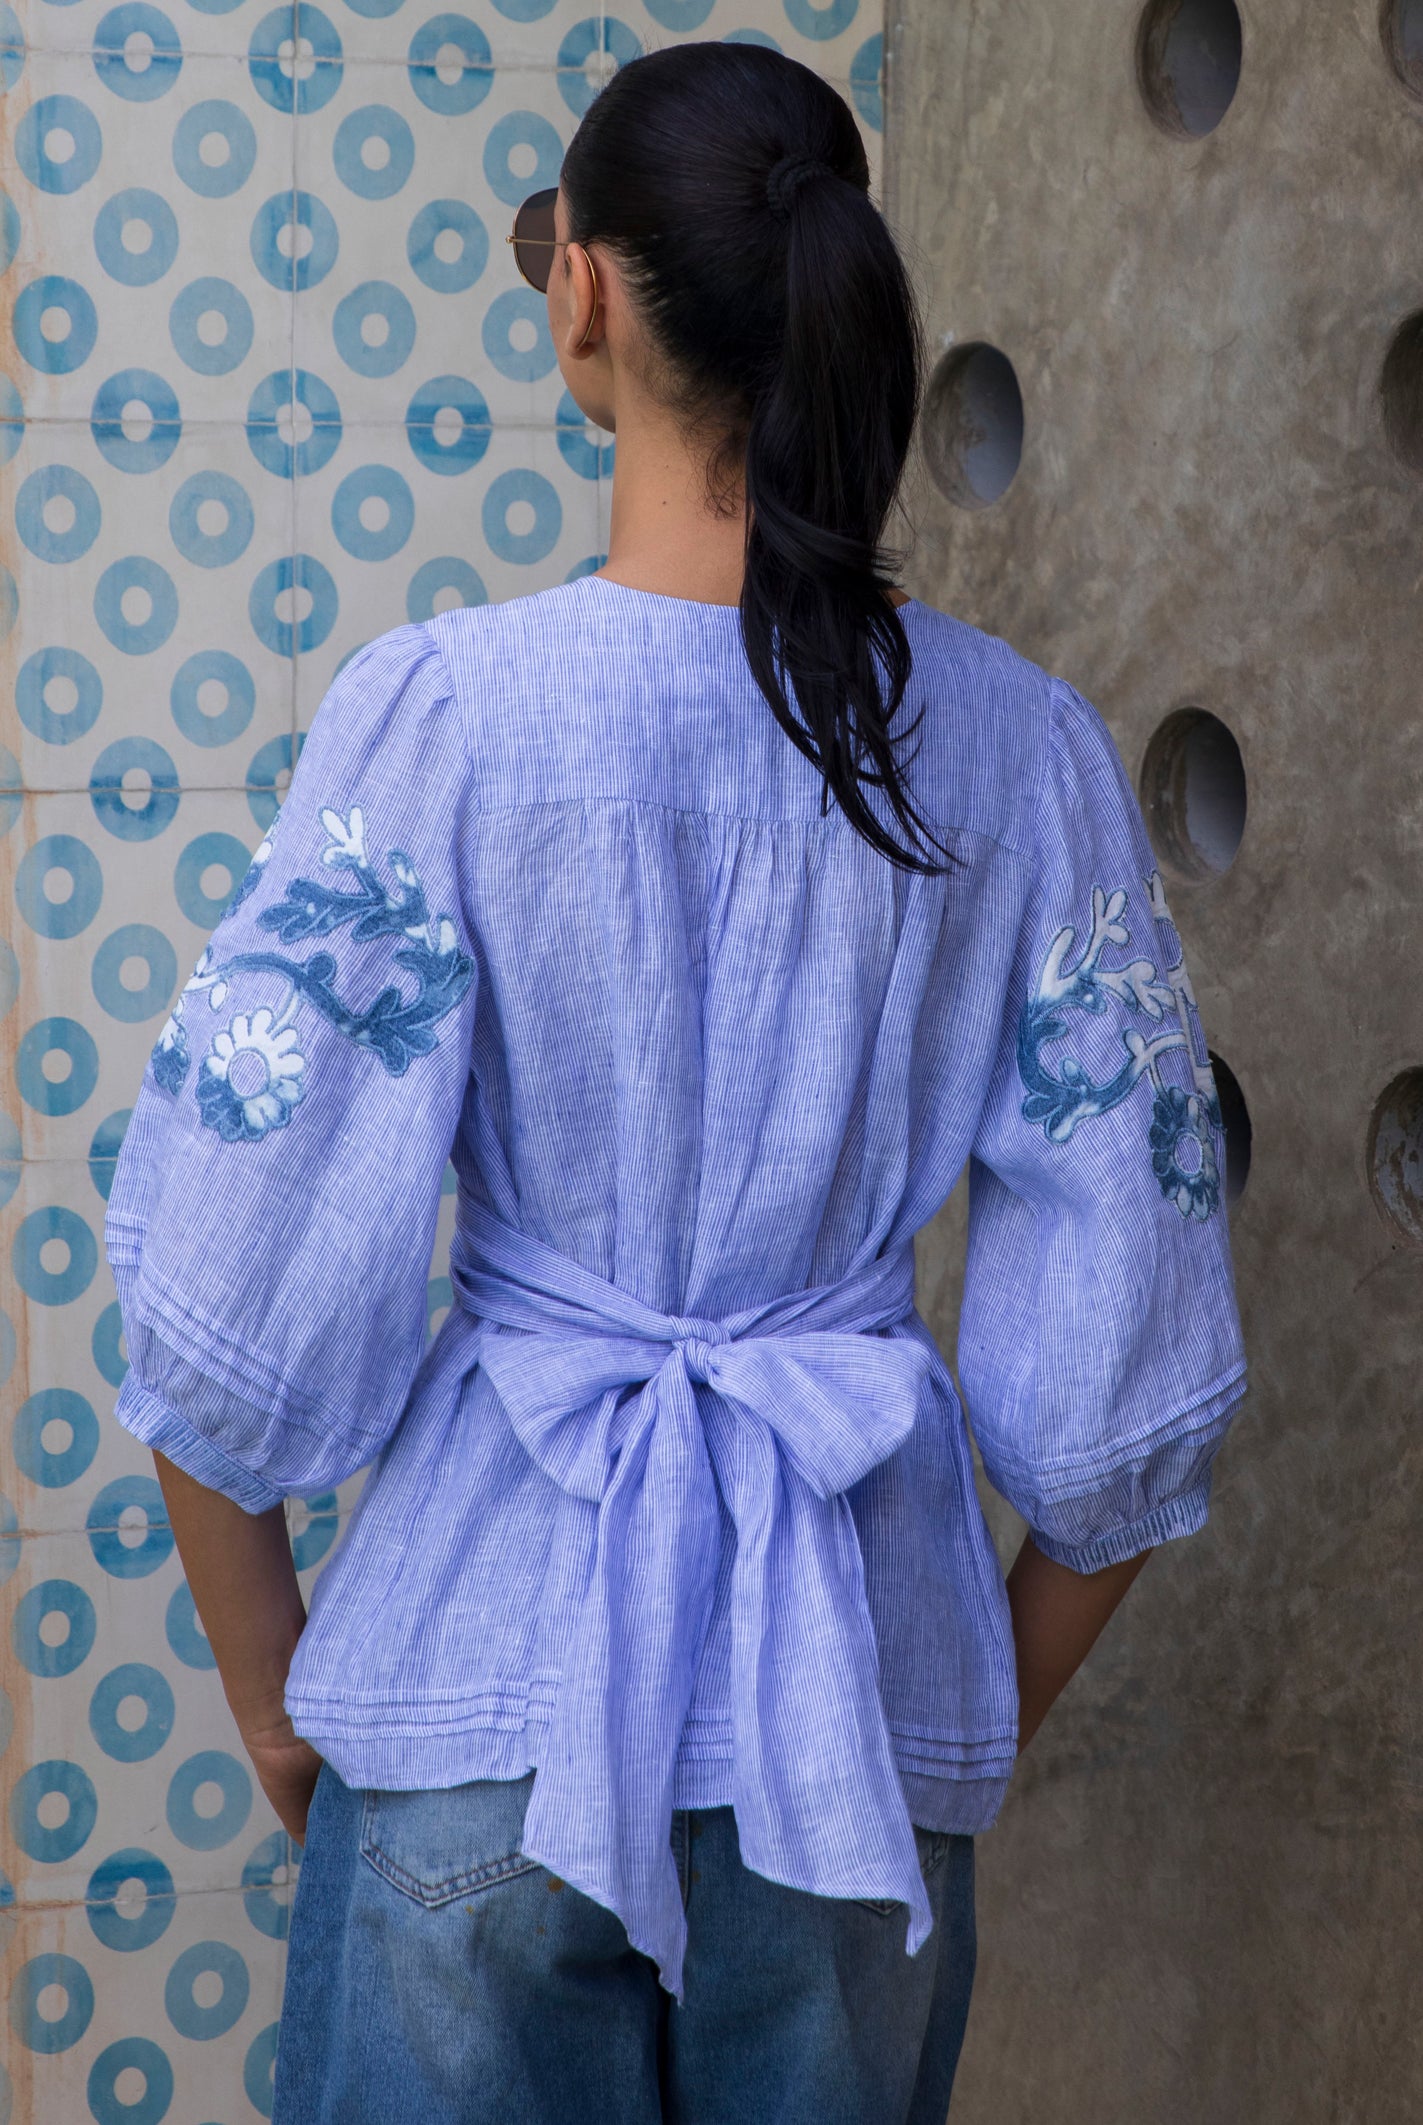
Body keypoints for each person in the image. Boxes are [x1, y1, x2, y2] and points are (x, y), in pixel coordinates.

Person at [104, 39, 1247, 2125]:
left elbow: (232, 1272)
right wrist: (954, 1703)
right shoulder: (1019, 756)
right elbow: (1128, 1380)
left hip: (479, 1680)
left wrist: (279, 1703)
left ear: (586, 299)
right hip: (858, 1730)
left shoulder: (447, 714)